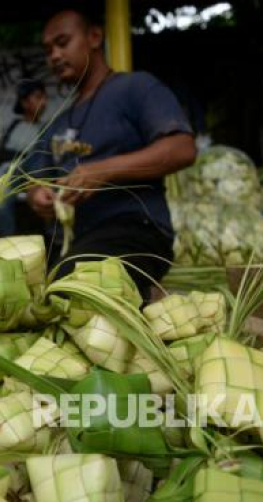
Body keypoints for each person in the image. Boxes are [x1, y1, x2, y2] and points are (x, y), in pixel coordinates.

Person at [24, 8, 196, 297]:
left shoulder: (135, 87)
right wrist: (36, 195)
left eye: (62, 43)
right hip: (72, 240)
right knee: (31, 299)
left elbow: (182, 147)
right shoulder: (59, 121)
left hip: (133, 228)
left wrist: (104, 169)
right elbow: (33, 179)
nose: (53, 55)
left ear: (94, 37)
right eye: (48, 49)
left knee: (72, 293)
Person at [0, 79, 49, 237]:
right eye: (38, 97)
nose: (44, 102)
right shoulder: (14, 126)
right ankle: (8, 240)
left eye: (45, 97)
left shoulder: (48, 127)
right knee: (2, 182)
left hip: (38, 174)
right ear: (24, 102)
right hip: (11, 175)